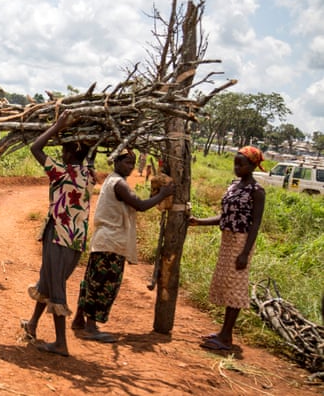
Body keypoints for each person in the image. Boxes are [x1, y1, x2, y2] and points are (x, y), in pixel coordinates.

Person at [71, 148, 174, 342]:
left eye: (132, 163)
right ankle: (91, 327)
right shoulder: (118, 183)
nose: (131, 167)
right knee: (104, 284)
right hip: (111, 241)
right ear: (116, 162)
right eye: (127, 162)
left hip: (104, 240)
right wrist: (163, 195)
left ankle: (79, 319)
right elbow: (141, 205)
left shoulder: (112, 180)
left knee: (92, 282)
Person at [20, 111, 95, 357]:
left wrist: (57, 125)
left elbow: (35, 147)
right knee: (48, 279)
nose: (60, 154)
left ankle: (61, 343)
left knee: (56, 287)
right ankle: (32, 325)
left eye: (64, 150)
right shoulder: (89, 175)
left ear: (71, 153)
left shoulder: (61, 172)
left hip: (59, 236)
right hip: (75, 240)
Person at [189, 146, 266, 351]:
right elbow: (225, 217)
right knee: (226, 284)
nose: (237, 167)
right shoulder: (234, 187)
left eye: (241, 164)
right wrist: (199, 221)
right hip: (227, 241)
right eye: (235, 163)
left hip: (241, 242)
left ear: (252, 166)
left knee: (236, 287)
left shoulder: (256, 191)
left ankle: (226, 337)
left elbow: (255, 224)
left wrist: (245, 253)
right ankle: (224, 332)